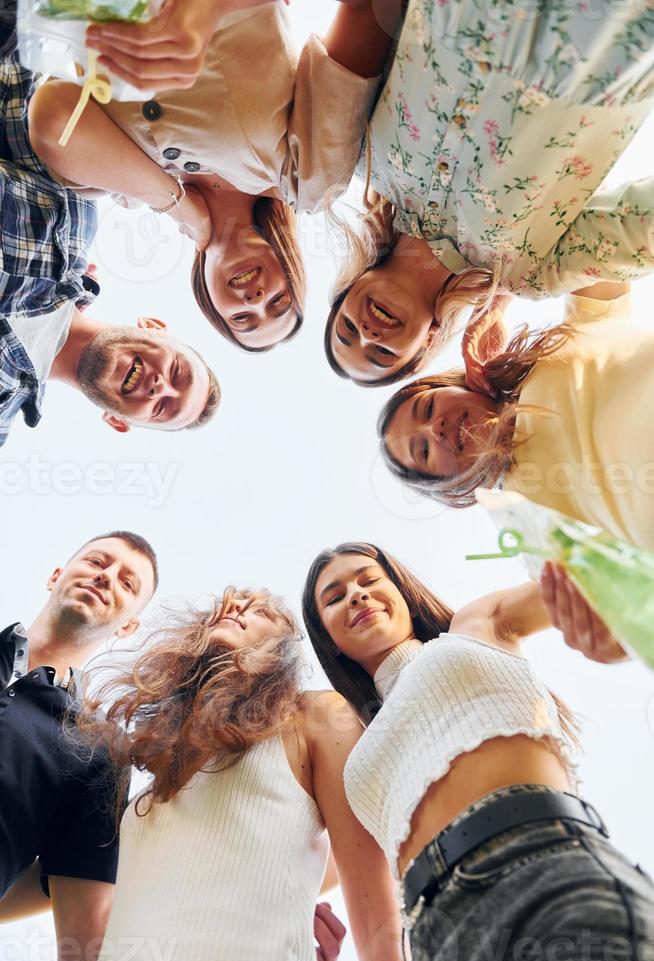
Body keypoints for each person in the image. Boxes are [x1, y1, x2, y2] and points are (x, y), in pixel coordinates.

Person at [302, 541, 654, 961]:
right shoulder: (350, 749)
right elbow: (341, 888)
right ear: (329, 641)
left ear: (403, 594)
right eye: (335, 598)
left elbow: (589, 573)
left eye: (370, 580)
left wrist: (613, 614)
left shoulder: (474, 626)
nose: (357, 594)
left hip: (541, 869)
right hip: (436, 938)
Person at [28, 0, 400, 352]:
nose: (256, 300)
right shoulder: (308, 179)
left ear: (206, 295)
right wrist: (204, 12)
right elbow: (369, 11)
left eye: (242, 318)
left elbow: (52, 118)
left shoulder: (125, 189)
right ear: (291, 269)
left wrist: (181, 207)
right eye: (279, 301)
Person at [77, 587, 406, 961]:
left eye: (263, 611)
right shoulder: (155, 778)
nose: (236, 606)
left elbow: (374, 908)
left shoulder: (313, 715)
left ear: (283, 651)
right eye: (230, 601)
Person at [324, 0, 654, 389]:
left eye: (346, 328)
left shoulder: (363, 160)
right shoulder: (526, 273)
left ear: (348, 290)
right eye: (382, 354)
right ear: (426, 341)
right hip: (599, 36)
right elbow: (637, 234)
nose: (367, 334)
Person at [0, 6, 219, 446]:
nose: (162, 386)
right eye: (178, 371)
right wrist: (179, 205)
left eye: (163, 408)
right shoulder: (72, 220)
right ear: (155, 326)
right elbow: (18, 57)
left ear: (117, 422)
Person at [378, 281, 654, 553]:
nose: (434, 429)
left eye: (428, 408)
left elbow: (593, 252)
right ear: (448, 482)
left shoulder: (562, 343)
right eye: (423, 450)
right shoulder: (526, 523)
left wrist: (493, 306)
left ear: (455, 386)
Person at [0, 532, 159, 961]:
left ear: (128, 626)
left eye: (128, 583)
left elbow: (84, 953)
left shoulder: (99, 753)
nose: (106, 577)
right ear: (56, 576)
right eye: (97, 561)